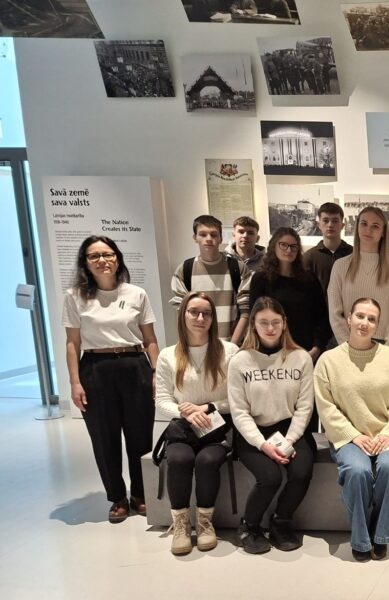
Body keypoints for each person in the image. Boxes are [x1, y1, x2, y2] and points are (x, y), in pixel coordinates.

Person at [63, 235, 159, 524]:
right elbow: (72, 343)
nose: (102, 260)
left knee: (140, 434)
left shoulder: (136, 293)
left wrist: (157, 373)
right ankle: (117, 497)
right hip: (95, 368)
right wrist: (75, 382)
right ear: (85, 263)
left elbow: (150, 340)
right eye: (94, 256)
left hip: (134, 366)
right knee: (104, 437)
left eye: (107, 254)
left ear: (117, 258)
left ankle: (140, 493)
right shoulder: (75, 296)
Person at [315, 298, 389, 562]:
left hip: (387, 434)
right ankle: (360, 537)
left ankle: (380, 533)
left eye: (371, 319)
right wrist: (354, 436)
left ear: (377, 325)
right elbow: (326, 407)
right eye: (360, 316)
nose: (364, 323)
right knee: (357, 471)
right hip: (348, 438)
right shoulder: (328, 361)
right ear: (349, 318)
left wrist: (388, 433)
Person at [228, 297, 315, 554]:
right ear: (253, 324)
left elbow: (305, 407)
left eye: (276, 322)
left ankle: (281, 522)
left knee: (301, 472)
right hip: (253, 431)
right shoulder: (239, 361)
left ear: (284, 323)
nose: (270, 328)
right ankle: (248, 526)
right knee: (270, 477)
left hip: (290, 429)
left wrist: (289, 440)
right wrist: (262, 445)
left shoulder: (301, 358)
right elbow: (239, 412)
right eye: (263, 322)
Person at [154, 291, 239, 555]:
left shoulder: (229, 351)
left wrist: (208, 407)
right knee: (178, 459)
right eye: (194, 312)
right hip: (184, 426)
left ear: (213, 319)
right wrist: (184, 411)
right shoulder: (168, 355)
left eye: (207, 313)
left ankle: (204, 523)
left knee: (207, 461)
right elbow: (162, 399)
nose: (200, 318)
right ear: (183, 315)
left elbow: (238, 398)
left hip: (217, 426)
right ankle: (180, 523)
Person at [327, 206, 389, 350]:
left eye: (375, 226)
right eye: (364, 224)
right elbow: (335, 313)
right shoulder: (340, 266)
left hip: (386, 347)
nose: (368, 230)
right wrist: (349, 347)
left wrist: (386, 353)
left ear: (383, 232)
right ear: (357, 227)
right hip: (348, 346)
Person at [250, 227, 330, 362]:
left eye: (293, 246)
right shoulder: (260, 279)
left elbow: (321, 318)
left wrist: (316, 349)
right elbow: (254, 319)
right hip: (270, 351)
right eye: (283, 245)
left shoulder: (310, 280)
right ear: (274, 246)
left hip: (305, 351)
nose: (289, 250)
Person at [170, 215, 253, 344]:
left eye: (214, 235)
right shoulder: (185, 270)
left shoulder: (238, 268)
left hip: (231, 345)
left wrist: (232, 347)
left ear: (221, 238)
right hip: (197, 346)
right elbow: (182, 313)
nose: (208, 239)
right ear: (195, 238)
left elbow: (246, 311)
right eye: (202, 234)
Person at [302, 202, 353, 296]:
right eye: (325, 220)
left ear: (342, 225)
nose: (330, 225)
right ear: (319, 225)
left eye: (335, 221)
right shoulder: (308, 258)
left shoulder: (354, 254)